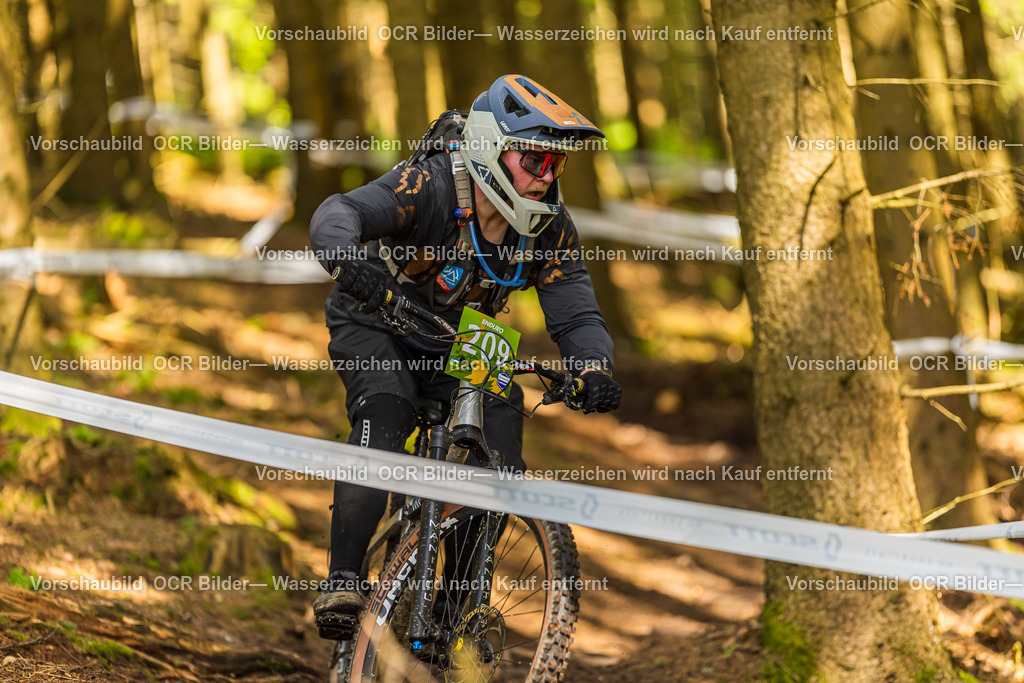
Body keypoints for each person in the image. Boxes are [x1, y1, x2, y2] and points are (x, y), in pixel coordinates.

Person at [308, 74, 622, 640]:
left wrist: (592, 367)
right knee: (387, 407)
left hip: (459, 336)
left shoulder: (549, 228)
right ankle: (345, 580)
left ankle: (453, 613)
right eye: (534, 160)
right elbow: (340, 211)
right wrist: (348, 261)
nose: (544, 177)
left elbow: (575, 310)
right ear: (491, 148)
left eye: (555, 165)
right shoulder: (427, 185)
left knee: (501, 428)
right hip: (376, 317)